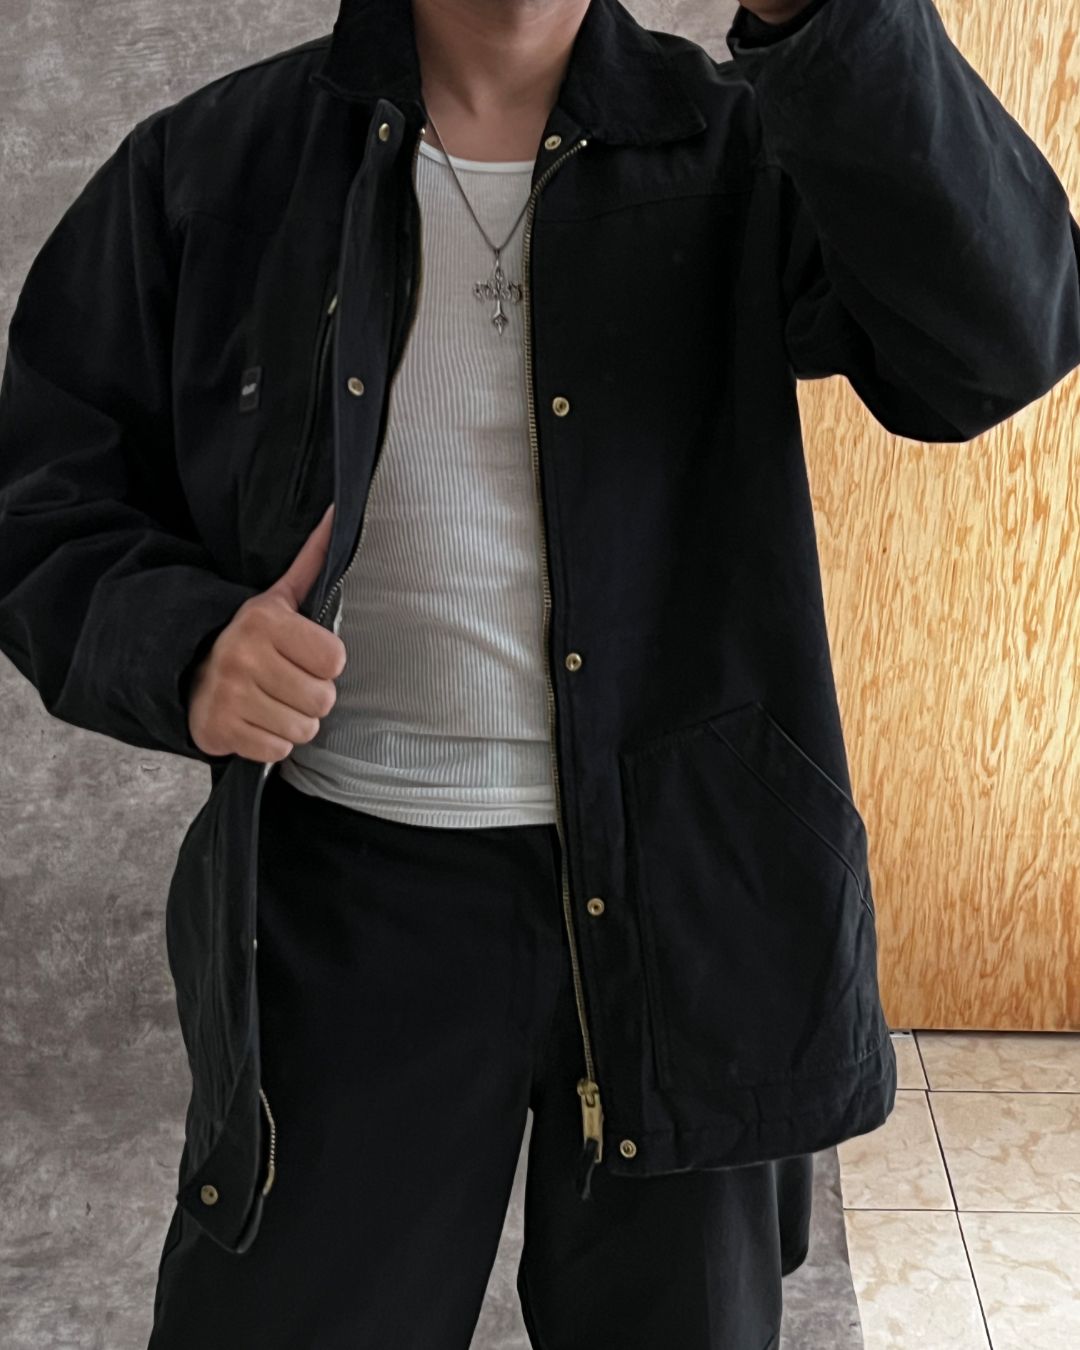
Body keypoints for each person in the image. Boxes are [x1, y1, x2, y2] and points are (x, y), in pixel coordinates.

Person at [1, 1, 1077, 1347]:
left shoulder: (743, 147)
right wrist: (186, 646)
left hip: (690, 902)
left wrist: (828, 20)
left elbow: (999, 339)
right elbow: (41, 498)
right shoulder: (217, 166)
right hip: (351, 901)